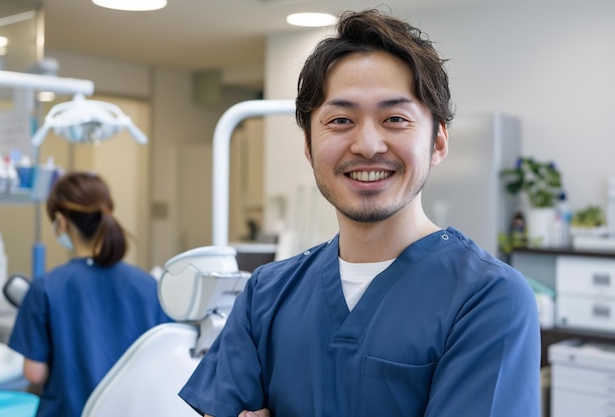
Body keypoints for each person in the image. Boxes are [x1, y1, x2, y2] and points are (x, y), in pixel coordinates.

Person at [179, 9, 541, 417]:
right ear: (308, 145)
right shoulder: (266, 294)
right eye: (340, 120)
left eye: (395, 119)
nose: (367, 145)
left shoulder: (487, 298)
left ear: (438, 142)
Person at [8, 171, 172, 417]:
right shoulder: (148, 285)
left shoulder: (46, 287)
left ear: (62, 222)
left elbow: (34, 373)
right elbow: (164, 362)